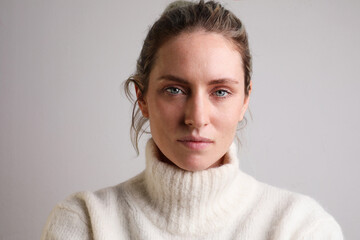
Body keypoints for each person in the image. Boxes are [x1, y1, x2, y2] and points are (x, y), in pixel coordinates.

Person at [41, 1, 343, 239]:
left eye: (221, 91)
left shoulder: (301, 228)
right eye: (174, 90)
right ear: (142, 97)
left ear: (245, 100)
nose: (196, 118)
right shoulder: (86, 223)